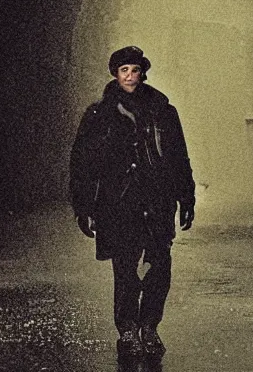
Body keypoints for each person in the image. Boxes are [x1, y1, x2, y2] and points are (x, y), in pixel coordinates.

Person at [69, 46, 195, 360]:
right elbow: (83, 164)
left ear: (142, 73)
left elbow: (179, 157)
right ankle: (127, 330)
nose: (130, 76)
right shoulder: (99, 114)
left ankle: (149, 327)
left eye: (135, 70)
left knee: (159, 266)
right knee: (125, 270)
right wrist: (83, 207)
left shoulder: (163, 111)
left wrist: (186, 197)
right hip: (118, 204)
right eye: (124, 70)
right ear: (115, 73)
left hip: (157, 202)